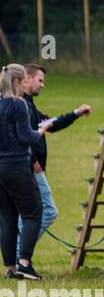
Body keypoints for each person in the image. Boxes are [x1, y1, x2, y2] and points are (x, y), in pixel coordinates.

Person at [19, 64, 90, 252]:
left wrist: (75, 114)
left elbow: (49, 123)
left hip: (29, 167)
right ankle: (20, 254)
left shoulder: (29, 104)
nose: (43, 85)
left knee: (24, 216)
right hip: (29, 168)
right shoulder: (21, 105)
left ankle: (17, 258)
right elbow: (19, 138)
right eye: (40, 80)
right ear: (27, 78)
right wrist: (33, 161)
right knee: (48, 211)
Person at [0, 64, 52, 280]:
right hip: (17, 165)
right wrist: (42, 129)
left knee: (7, 218)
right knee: (33, 213)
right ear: (18, 82)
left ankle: (10, 268)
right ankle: (24, 264)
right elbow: (26, 137)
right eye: (23, 82)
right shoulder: (18, 105)